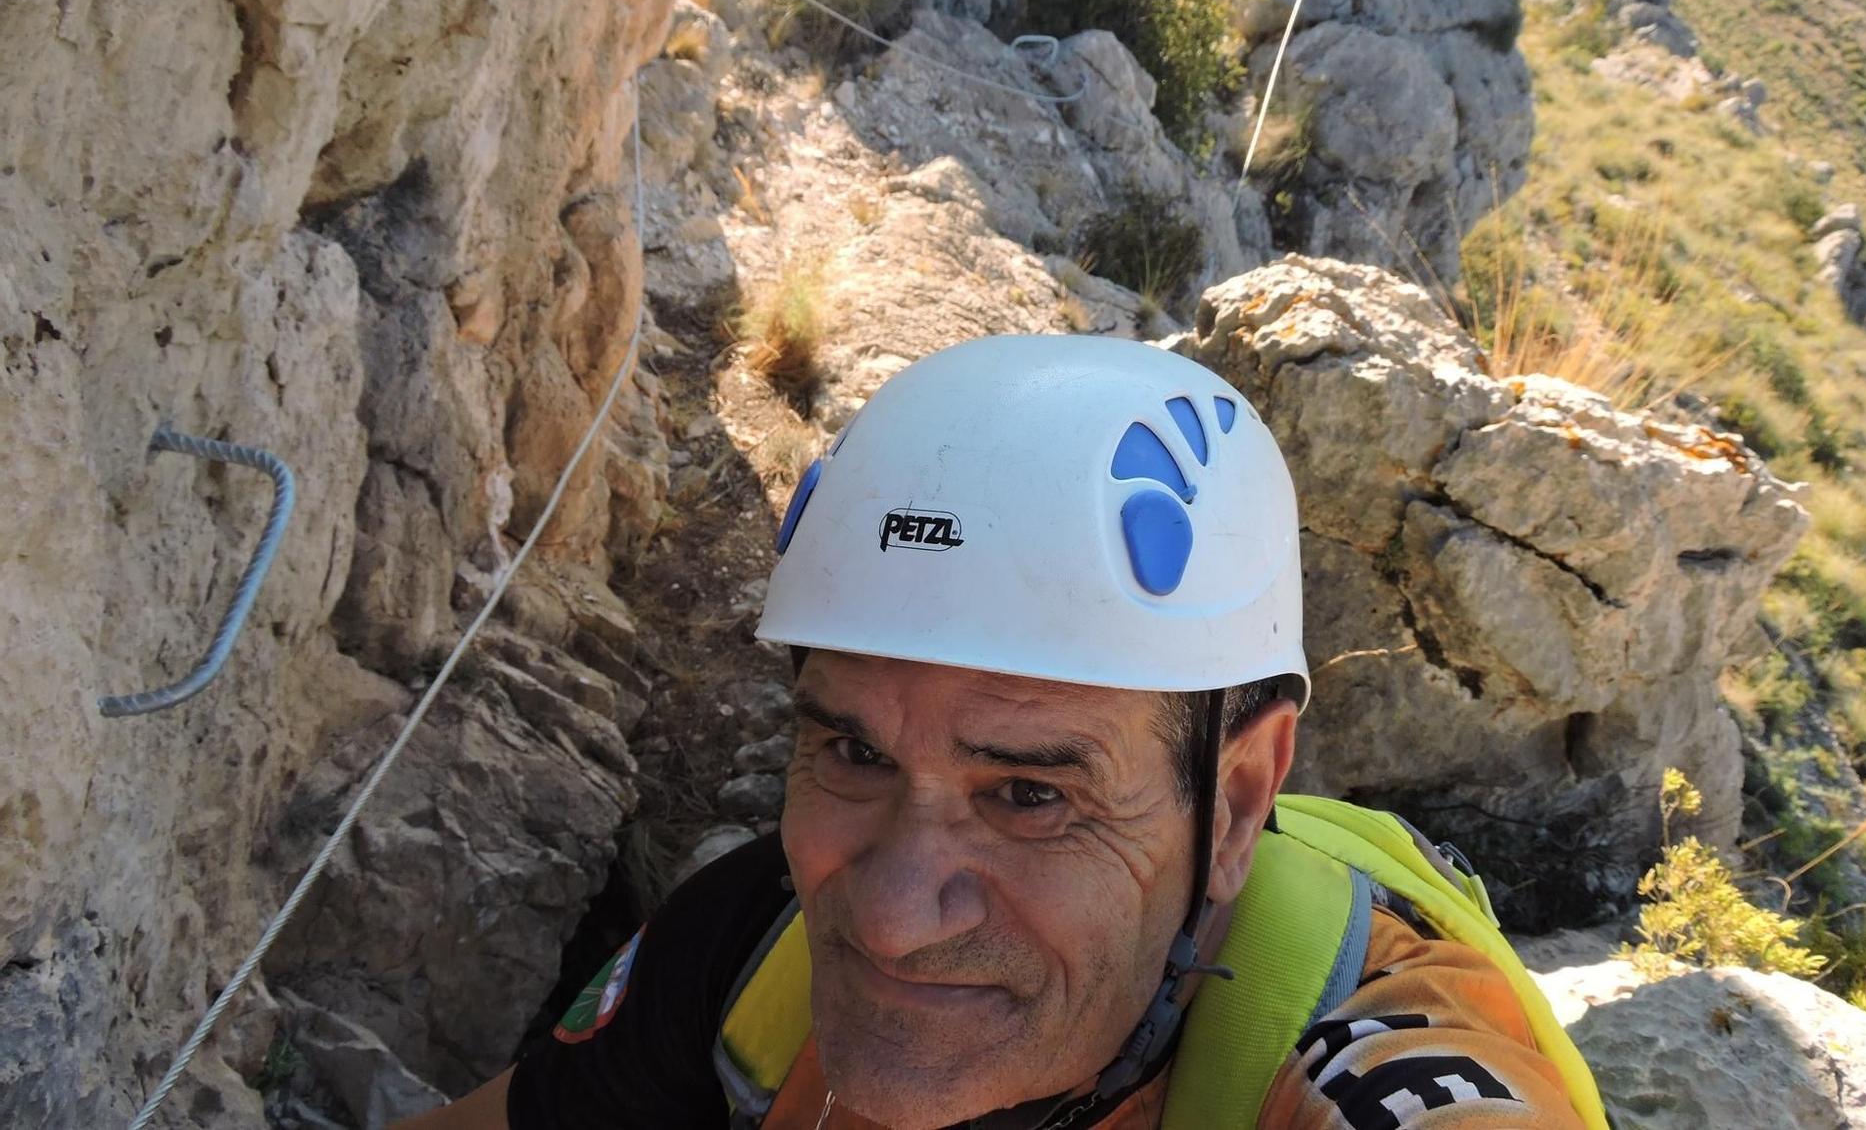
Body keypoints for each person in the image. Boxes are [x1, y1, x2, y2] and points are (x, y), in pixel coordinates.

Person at [401, 335, 1604, 1130]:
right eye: (856, 754)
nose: (882, 915)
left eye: (1028, 795)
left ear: (1236, 800)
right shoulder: (750, 948)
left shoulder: (1369, 1071)